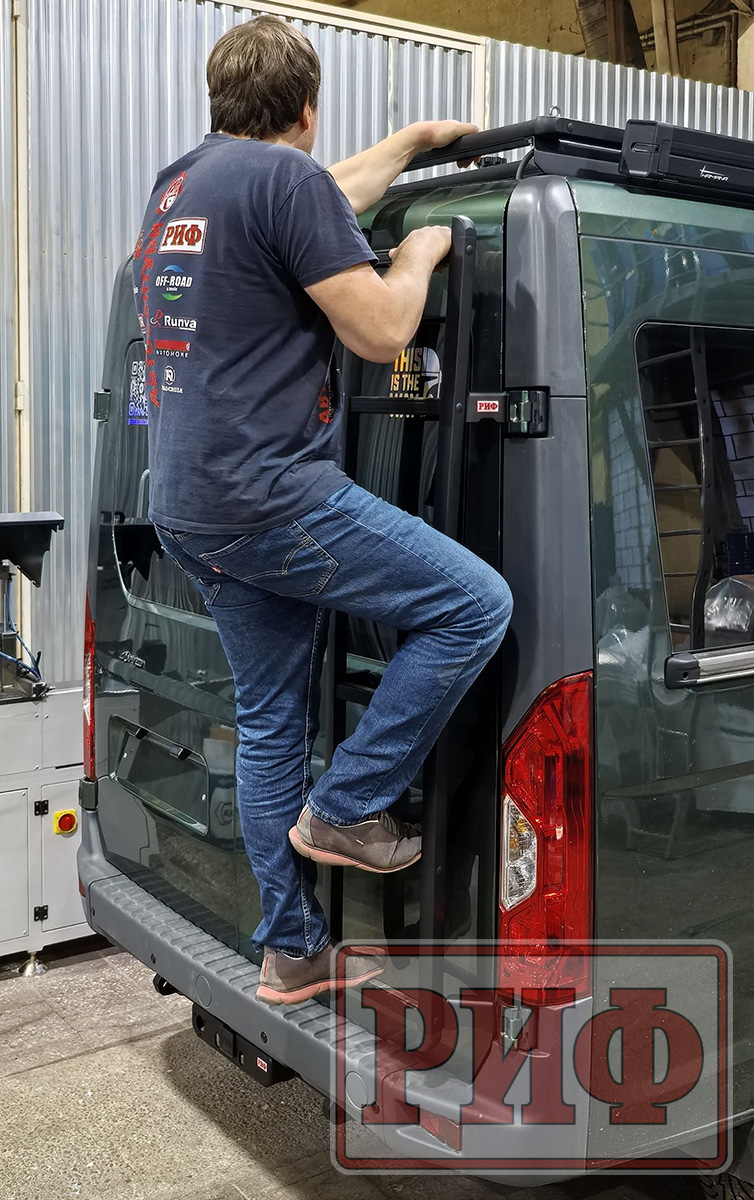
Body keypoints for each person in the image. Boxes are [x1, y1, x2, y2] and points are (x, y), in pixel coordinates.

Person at [134, 15, 512, 1006]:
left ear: (221, 100)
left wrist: (413, 143)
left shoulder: (183, 185)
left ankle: (292, 952)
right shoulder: (284, 180)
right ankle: (348, 807)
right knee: (474, 605)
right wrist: (419, 253)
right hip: (269, 497)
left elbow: (320, 198)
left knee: (270, 726)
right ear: (307, 108)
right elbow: (382, 331)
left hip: (188, 505)